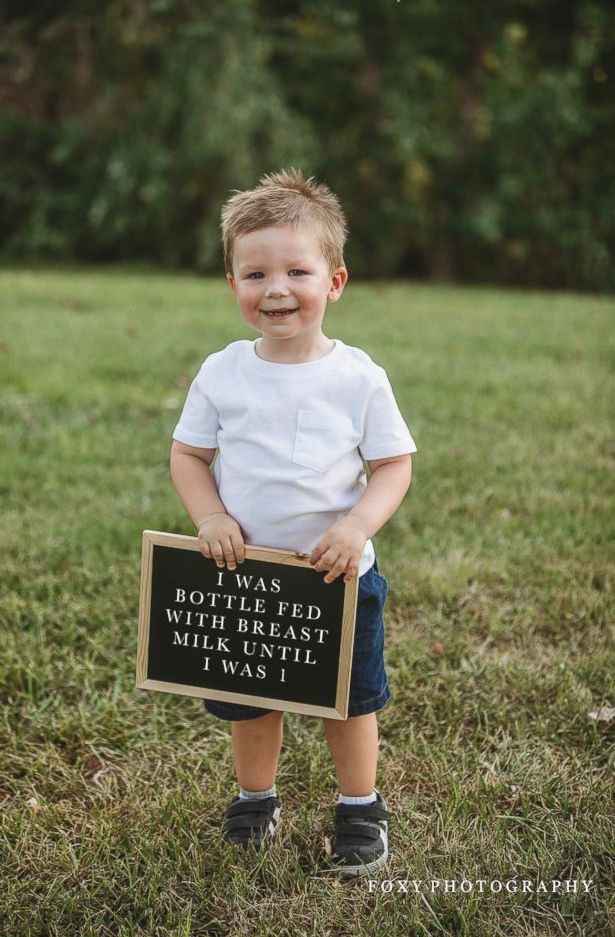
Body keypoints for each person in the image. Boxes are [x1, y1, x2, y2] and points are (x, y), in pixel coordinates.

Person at [170, 167, 417, 876]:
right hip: (243, 575)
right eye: (255, 274)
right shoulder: (222, 372)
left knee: (348, 701)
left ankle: (359, 806)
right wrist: (211, 513)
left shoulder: (358, 377)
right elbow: (188, 455)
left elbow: (394, 466)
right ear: (233, 285)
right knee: (252, 701)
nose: (276, 289)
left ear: (334, 282)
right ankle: (257, 797)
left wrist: (356, 526)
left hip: (335, 575)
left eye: (296, 272)